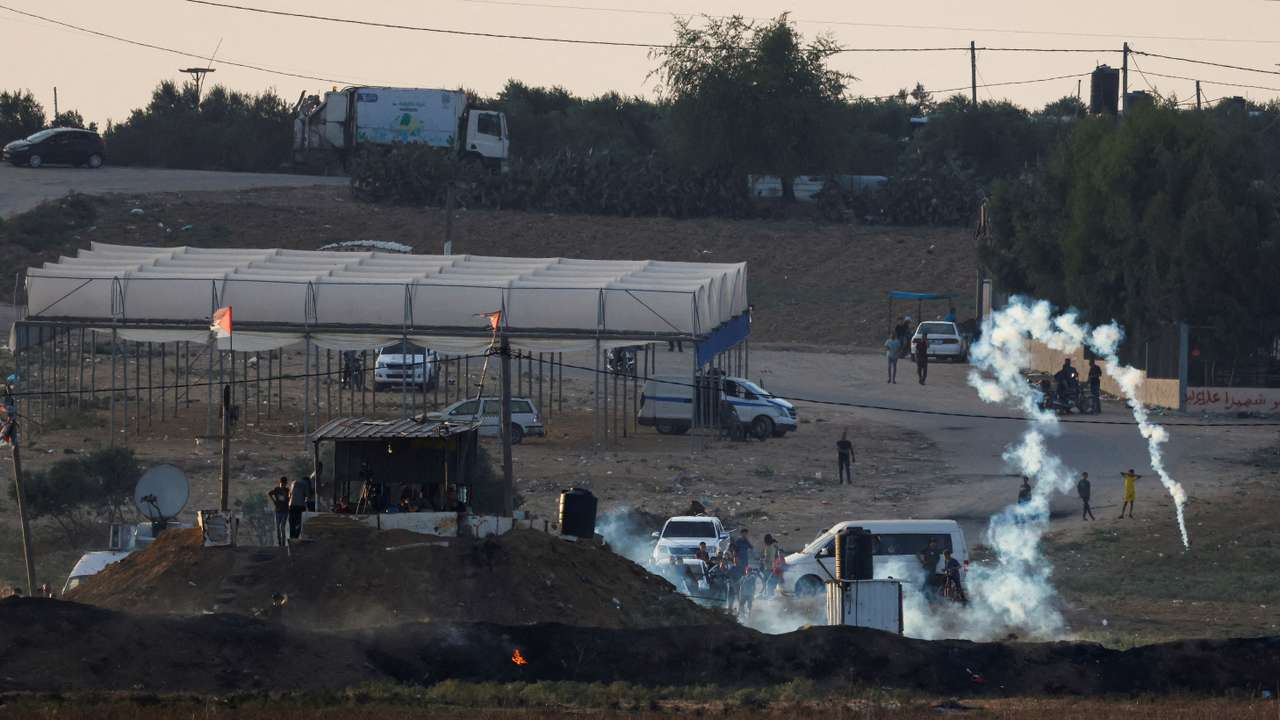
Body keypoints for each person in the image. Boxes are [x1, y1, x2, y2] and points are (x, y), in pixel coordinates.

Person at [288, 473, 312, 541]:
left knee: (292, 522)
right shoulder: (306, 484)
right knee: (299, 522)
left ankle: (291, 537)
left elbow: (289, 495)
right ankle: (296, 537)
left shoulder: (293, 482)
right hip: (300, 506)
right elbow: (308, 496)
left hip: (291, 505)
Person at [267, 476, 290, 547]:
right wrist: (274, 501)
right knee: (278, 528)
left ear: (286, 483)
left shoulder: (287, 490)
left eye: (284, 483)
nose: (283, 485)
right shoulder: (277, 489)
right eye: (282, 483)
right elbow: (269, 493)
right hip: (278, 511)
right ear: (280, 483)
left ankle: (282, 543)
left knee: (282, 527)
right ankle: (280, 543)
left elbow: (289, 498)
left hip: (285, 511)